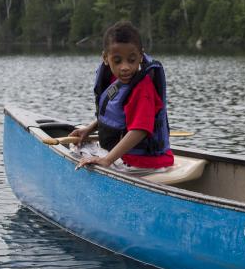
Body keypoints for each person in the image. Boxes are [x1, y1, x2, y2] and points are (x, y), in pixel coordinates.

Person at [71, 20, 174, 170]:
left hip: (140, 162)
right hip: (126, 158)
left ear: (140, 56)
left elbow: (140, 129)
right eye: (117, 61)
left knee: (76, 151)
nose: (125, 67)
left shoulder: (142, 88)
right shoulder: (120, 82)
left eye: (131, 60)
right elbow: (115, 117)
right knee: (79, 144)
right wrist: (89, 129)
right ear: (105, 58)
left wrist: (107, 160)